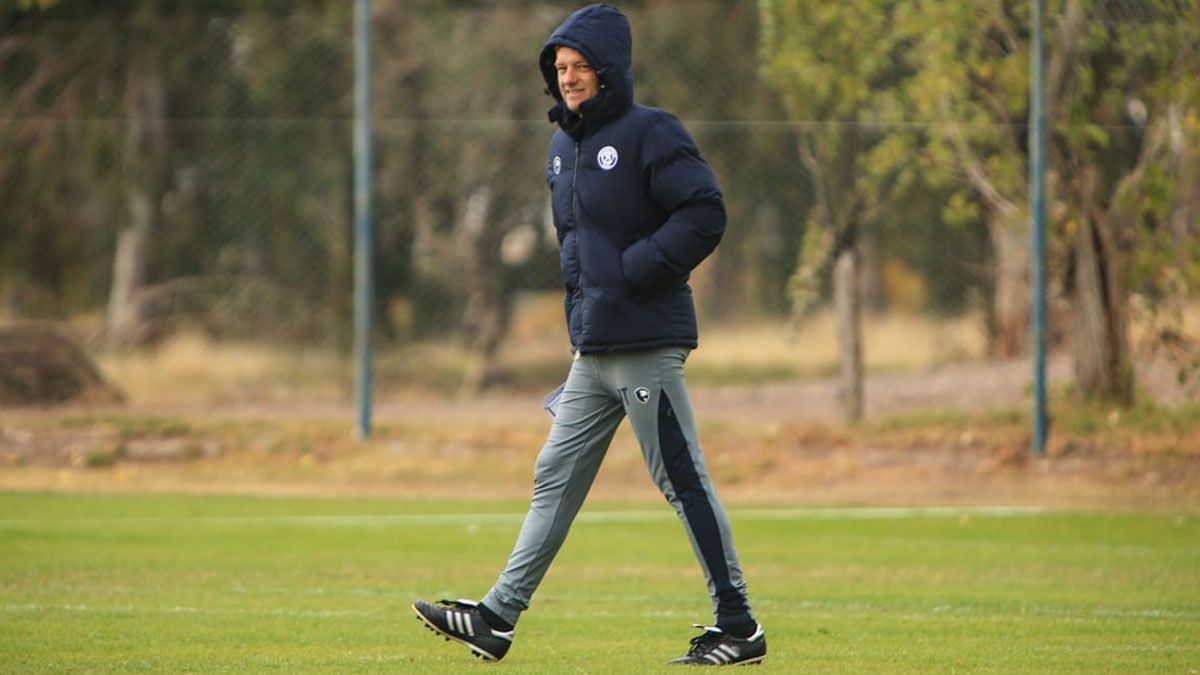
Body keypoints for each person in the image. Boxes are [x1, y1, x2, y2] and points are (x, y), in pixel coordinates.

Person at [412, 3, 765, 666]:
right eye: (560, 68)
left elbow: (705, 211)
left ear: (608, 70)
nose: (568, 78)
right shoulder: (560, 147)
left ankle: (738, 626)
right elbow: (577, 250)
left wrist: (637, 269)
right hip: (594, 349)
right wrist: (581, 325)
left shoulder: (651, 132)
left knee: (680, 479)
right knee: (553, 474)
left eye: (579, 67)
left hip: (643, 346)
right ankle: (496, 618)